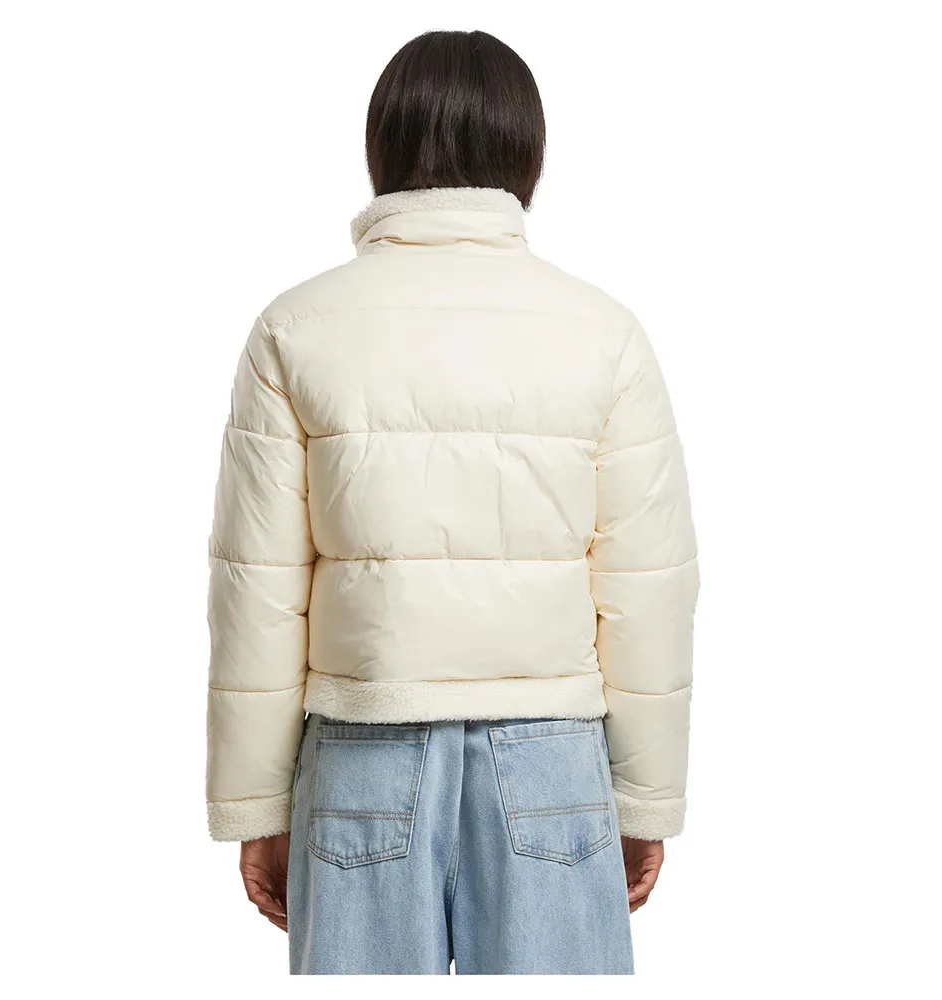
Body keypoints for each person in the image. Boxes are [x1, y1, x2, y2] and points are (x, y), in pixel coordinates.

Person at [205, 29, 699, 975]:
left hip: (362, 754)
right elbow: (648, 589)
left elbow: (257, 592)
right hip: (553, 765)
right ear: (529, 152)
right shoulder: (605, 333)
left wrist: (258, 805)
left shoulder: (295, 327)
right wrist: (645, 800)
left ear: (381, 147)